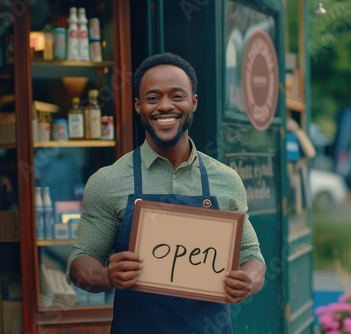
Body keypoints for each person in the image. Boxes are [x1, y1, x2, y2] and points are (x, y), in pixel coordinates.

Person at [67, 52, 266, 333]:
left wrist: (249, 280)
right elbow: (81, 261)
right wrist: (106, 275)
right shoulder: (108, 181)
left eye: (177, 96)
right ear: (138, 106)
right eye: (152, 98)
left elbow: (252, 257)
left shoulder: (226, 181)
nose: (164, 106)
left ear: (193, 102)